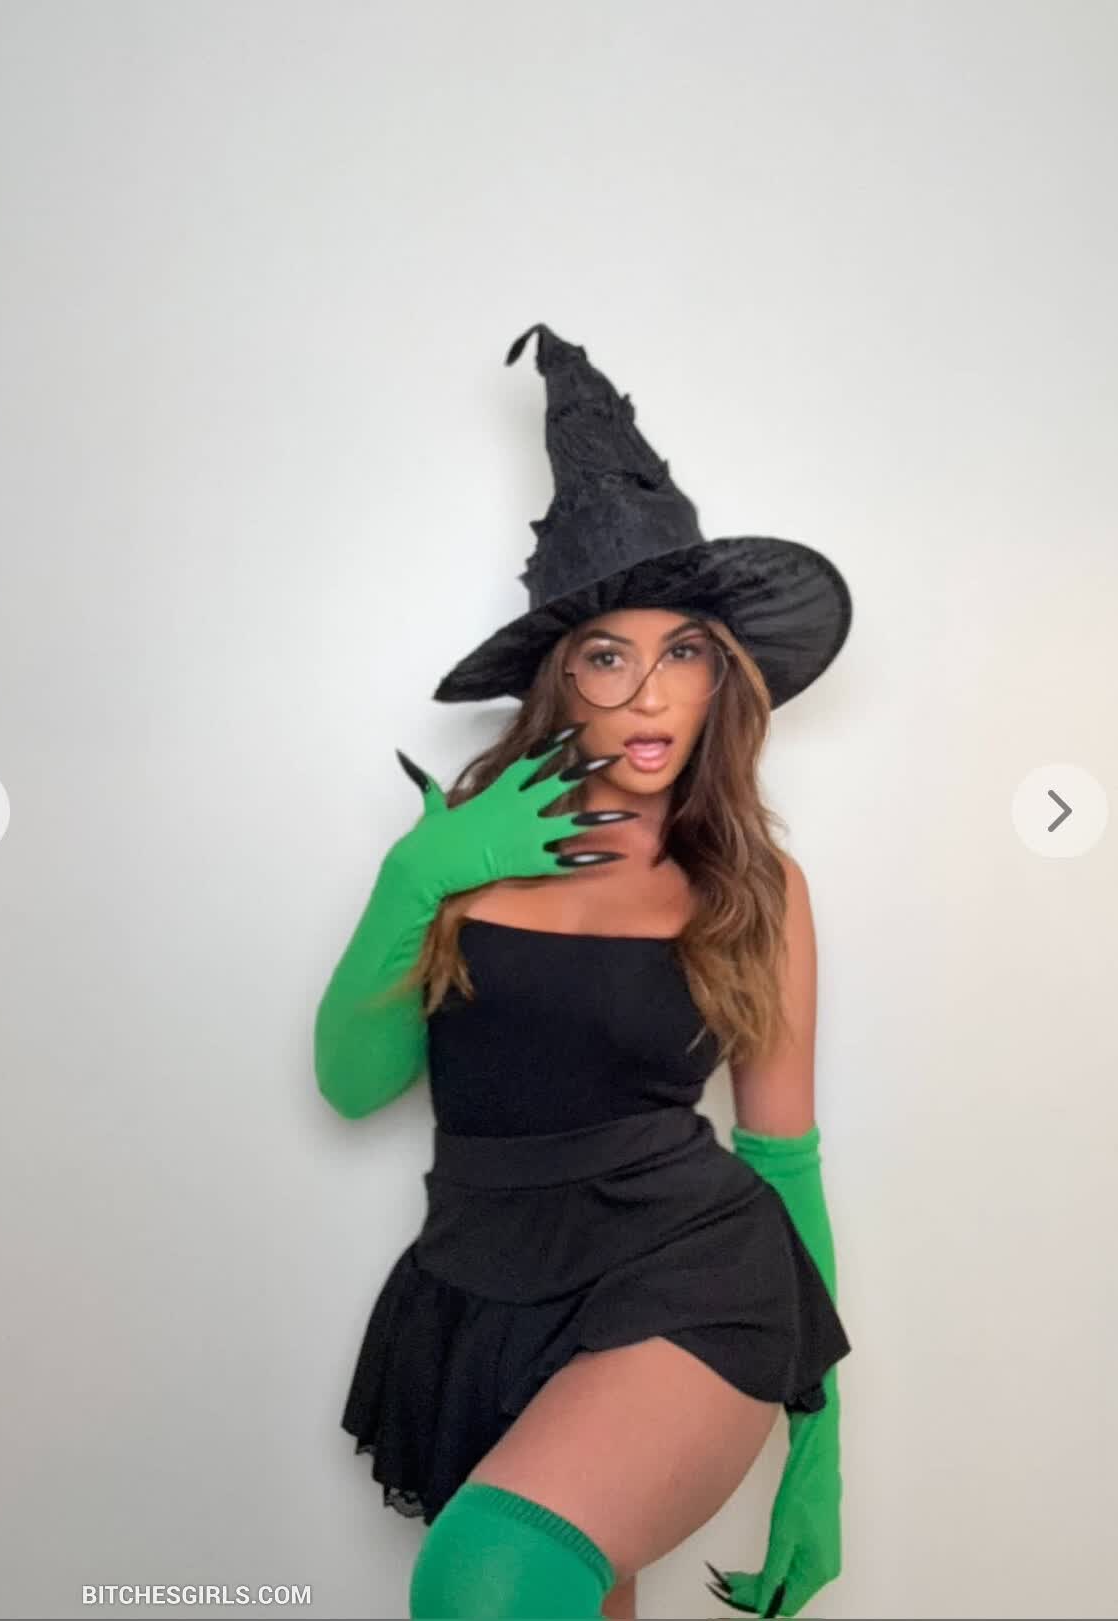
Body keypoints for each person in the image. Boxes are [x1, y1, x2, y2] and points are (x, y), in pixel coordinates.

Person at [313, 324, 854, 1620]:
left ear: (724, 678)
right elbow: (351, 1083)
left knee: (489, 1582)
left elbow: (783, 1157)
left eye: (685, 652)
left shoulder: (757, 887)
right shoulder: (461, 856)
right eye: (611, 654)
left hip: (696, 1267)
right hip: (482, 1271)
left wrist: (821, 1442)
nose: (651, 692)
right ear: (565, 679)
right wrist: (415, 878)